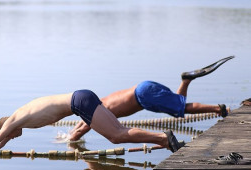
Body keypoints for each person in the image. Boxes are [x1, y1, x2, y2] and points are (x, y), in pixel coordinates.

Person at [0, 90, 182, 169]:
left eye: (8, 136)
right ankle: (164, 141)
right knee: (117, 133)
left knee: (116, 135)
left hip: (79, 102)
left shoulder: (12, 122)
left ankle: (164, 137)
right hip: (80, 99)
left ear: (5, 128)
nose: (10, 139)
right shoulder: (17, 120)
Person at [69, 56, 233, 141]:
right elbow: (80, 126)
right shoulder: (96, 104)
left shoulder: (92, 114)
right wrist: (71, 133)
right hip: (143, 87)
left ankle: (219, 109)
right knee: (177, 105)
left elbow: (79, 131)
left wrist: (69, 142)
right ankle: (186, 79)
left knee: (182, 108)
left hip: (143, 96)